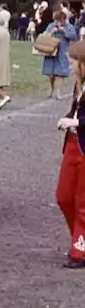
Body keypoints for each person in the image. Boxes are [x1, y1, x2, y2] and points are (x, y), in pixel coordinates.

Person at [54, 40, 85, 269]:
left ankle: (80, 248)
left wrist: (74, 121)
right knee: (64, 196)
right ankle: (79, 238)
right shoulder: (78, 85)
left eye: (73, 62)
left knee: (83, 201)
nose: (70, 67)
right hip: (73, 144)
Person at [41, 10, 77, 100]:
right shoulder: (51, 25)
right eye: (57, 20)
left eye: (60, 20)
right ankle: (51, 88)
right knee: (51, 73)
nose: (58, 22)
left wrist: (64, 32)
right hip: (51, 51)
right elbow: (44, 36)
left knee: (60, 73)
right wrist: (52, 32)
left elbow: (74, 36)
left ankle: (58, 93)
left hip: (62, 51)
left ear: (64, 19)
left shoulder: (69, 26)